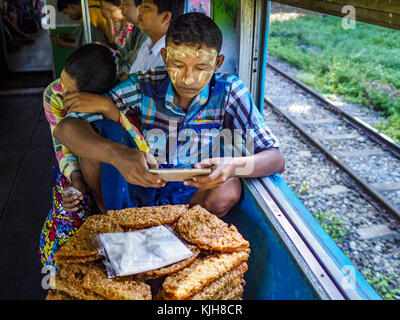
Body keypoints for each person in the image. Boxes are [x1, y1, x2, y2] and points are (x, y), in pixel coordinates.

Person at [54, 12, 285, 218]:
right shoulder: (142, 86)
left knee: (230, 188)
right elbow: (66, 129)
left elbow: (275, 158)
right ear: (164, 58)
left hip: (194, 201)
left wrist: (231, 166)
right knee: (103, 136)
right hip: (137, 194)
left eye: (201, 68)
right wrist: (118, 155)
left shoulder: (230, 92)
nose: (188, 78)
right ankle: (109, 219)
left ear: (218, 64)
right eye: (178, 64)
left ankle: (184, 236)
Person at [39, 43, 147, 267]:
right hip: (76, 174)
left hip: (123, 183)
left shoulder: (123, 94)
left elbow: (141, 148)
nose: (62, 90)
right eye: (62, 80)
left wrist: (109, 110)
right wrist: (76, 180)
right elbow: (62, 146)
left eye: (70, 92)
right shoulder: (54, 93)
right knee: (68, 233)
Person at [128, 0, 185, 74]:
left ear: (165, 17)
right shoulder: (147, 44)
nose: (139, 10)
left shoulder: (172, 57)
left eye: (146, 7)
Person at [116, 0, 147, 75]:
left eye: (125, 5)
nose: (121, 8)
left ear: (140, 8)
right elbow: (122, 54)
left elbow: (134, 67)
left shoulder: (147, 34)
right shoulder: (134, 28)